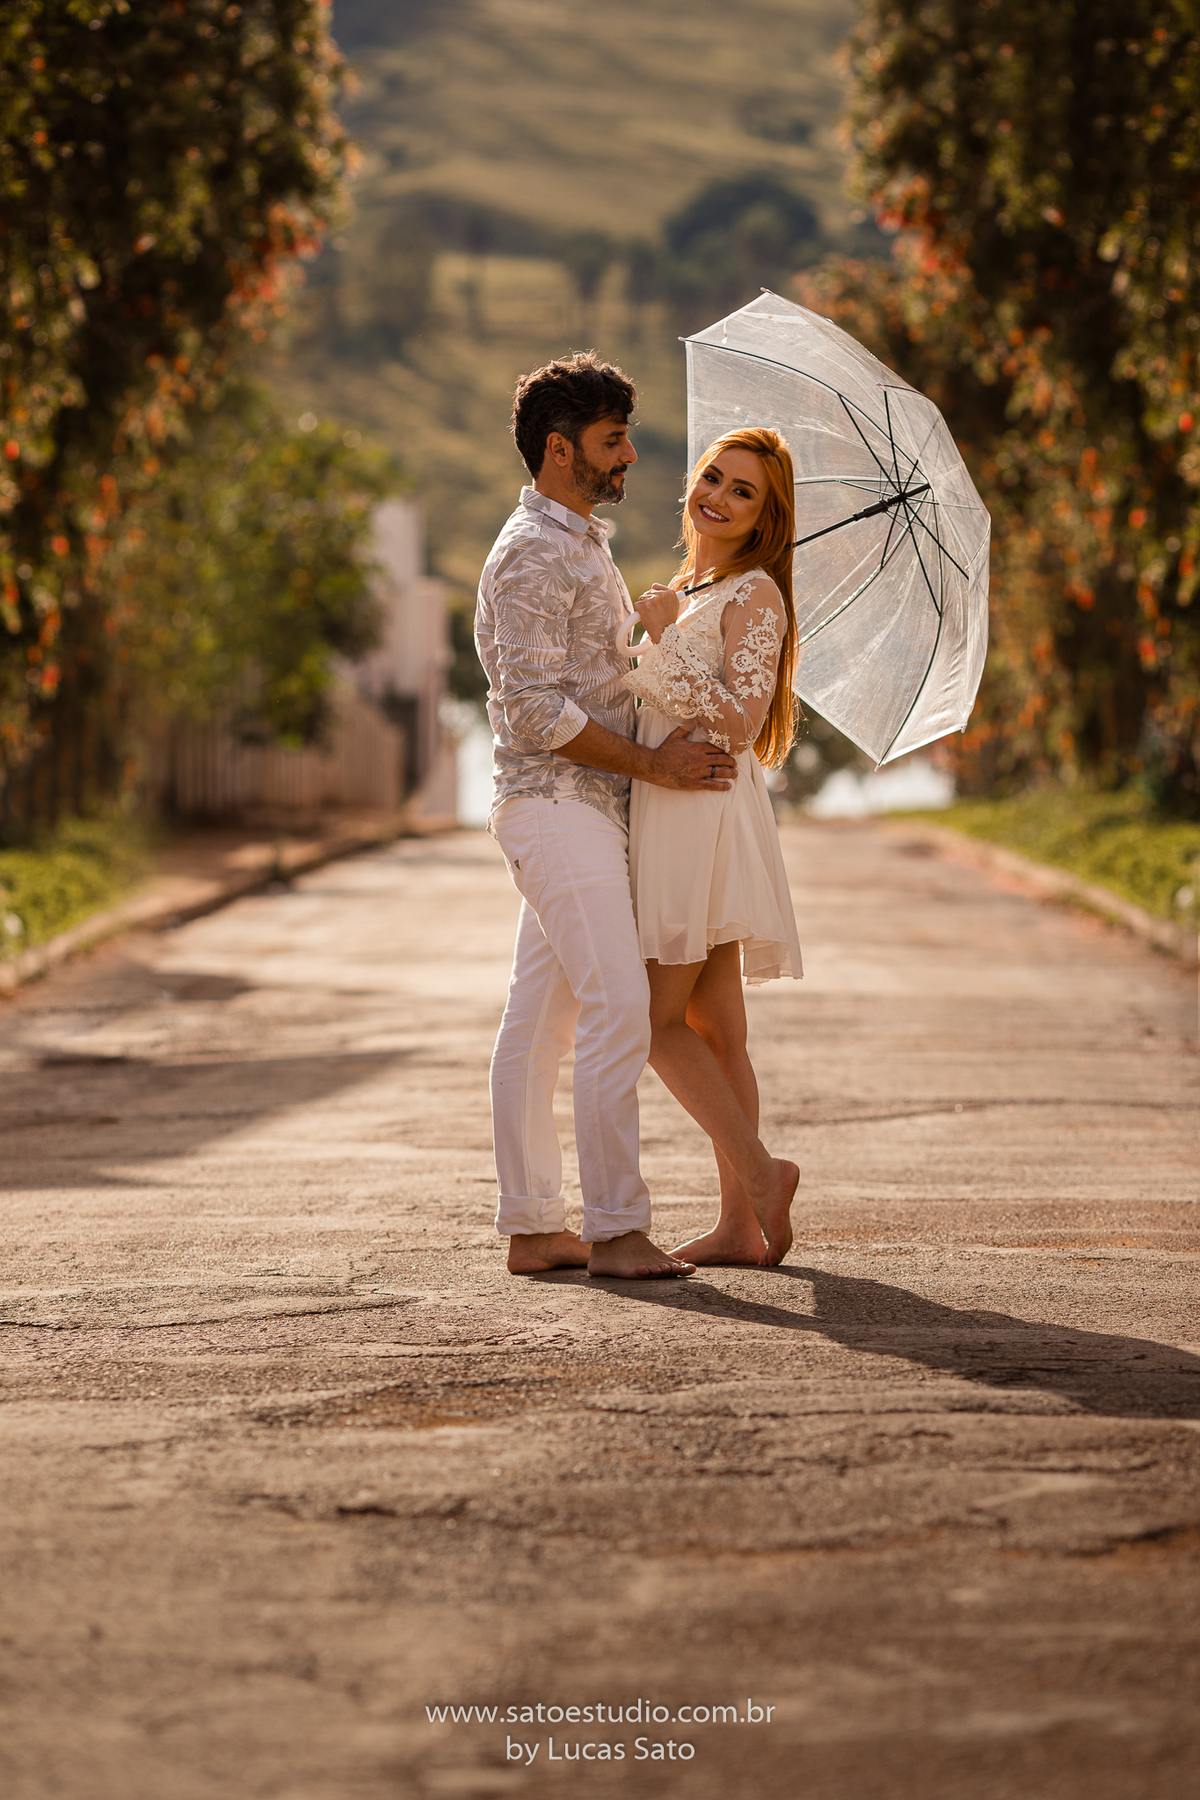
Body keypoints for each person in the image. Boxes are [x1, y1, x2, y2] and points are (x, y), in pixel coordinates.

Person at [476, 352, 739, 1280]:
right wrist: (655, 766)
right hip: (555, 808)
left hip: (587, 809)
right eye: (612, 440)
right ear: (560, 450)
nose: (630, 455)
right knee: (620, 1003)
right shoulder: (532, 554)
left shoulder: (582, 540)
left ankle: (534, 1227)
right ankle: (619, 1228)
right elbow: (533, 712)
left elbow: (593, 678)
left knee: (538, 1022)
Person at [618, 427, 803, 1267]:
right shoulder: (693, 585)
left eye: (743, 492)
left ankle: (764, 1177)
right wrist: (661, 620)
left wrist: (658, 637)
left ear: (766, 518)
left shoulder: (755, 593)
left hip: (703, 811)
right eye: (712, 477)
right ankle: (737, 1224)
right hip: (670, 803)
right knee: (718, 1029)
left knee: (657, 1024)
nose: (717, 497)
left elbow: (741, 722)